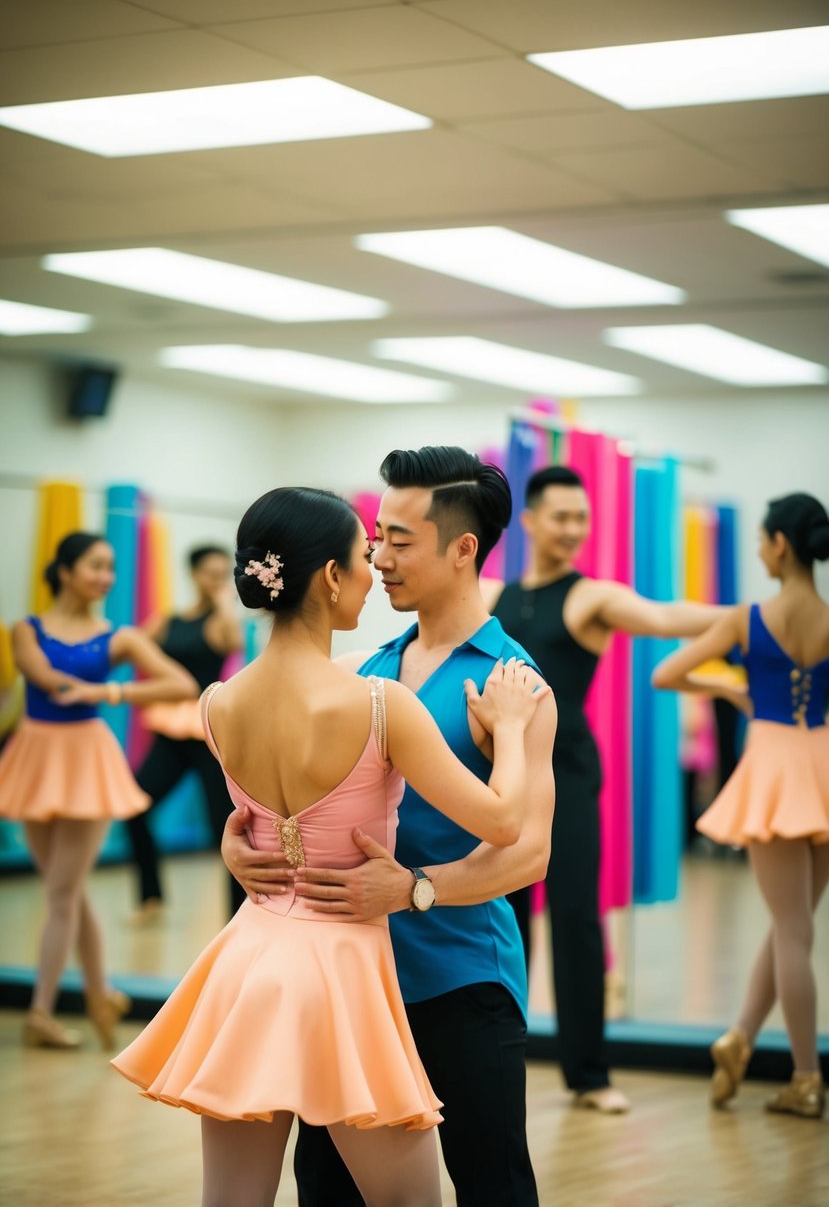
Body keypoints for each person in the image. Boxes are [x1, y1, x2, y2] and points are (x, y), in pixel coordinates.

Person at [112, 485, 549, 1207]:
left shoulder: (218, 702)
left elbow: (258, 826)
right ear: (329, 578)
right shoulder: (379, 702)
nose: (375, 564)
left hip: (247, 958)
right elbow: (505, 822)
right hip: (339, 965)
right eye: (363, 552)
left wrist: (235, 850)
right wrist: (505, 731)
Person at [489, 464, 723, 1114]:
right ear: (529, 521)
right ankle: (495, 1057)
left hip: (565, 774)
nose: (573, 530)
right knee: (501, 920)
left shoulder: (589, 596)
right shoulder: (490, 596)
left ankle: (588, 1075)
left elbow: (660, 615)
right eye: (561, 517)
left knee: (573, 919)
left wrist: (756, 615)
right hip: (503, 775)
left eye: (582, 519)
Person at [653, 491, 829, 1120]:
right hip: (822, 762)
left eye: (762, 539)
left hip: (776, 767)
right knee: (796, 925)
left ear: (781, 543)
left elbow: (667, 674)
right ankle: (741, 1038)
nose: (757, 549)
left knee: (791, 930)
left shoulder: (749, 617)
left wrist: (731, 691)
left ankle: (808, 1078)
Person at [0, 532, 197, 1050]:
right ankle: (100, 993)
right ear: (64, 571)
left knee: (62, 891)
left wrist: (110, 690)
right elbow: (42, 677)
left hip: (86, 758)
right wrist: (77, 685)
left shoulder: (120, 637)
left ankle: (41, 1011)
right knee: (66, 889)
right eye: (95, 565)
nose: (106, 577)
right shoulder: (27, 629)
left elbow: (181, 684)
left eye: (110, 567)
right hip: (36, 754)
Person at [126, 544, 245, 920]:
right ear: (193, 574)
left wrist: (224, 599)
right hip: (170, 732)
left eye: (222, 574)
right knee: (134, 807)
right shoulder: (169, 619)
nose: (215, 580)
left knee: (223, 829)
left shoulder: (220, 619)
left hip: (207, 734)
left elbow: (234, 643)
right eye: (210, 573)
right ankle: (151, 899)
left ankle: (237, 917)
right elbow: (133, 646)